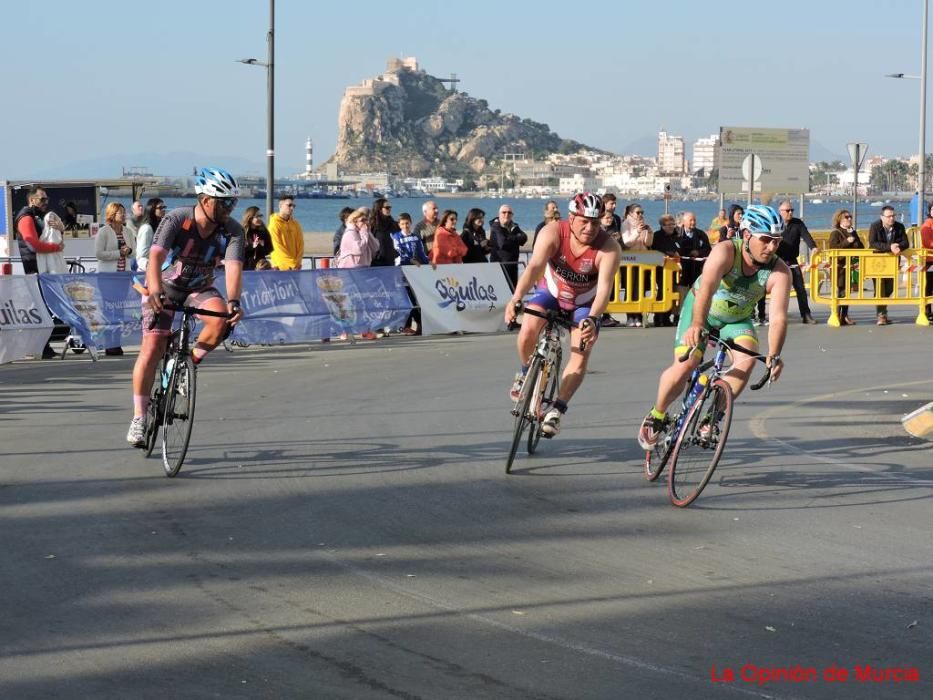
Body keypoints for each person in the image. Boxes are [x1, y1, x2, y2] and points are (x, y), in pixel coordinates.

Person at [638, 205, 791, 451]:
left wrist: (775, 354)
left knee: (747, 361)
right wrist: (697, 324)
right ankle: (656, 415)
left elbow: (778, 318)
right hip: (702, 311)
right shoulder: (726, 251)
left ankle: (712, 418)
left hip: (736, 320)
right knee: (686, 365)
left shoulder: (779, 271)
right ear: (748, 234)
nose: (772, 247)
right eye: (766, 240)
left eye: (777, 241)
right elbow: (707, 288)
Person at [126, 167, 245, 446]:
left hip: (198, 288)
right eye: (225, 202)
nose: (230, 208)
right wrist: (154, 290)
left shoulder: (233, 231)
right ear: (206, 200)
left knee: (221, 321)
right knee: (152, 347)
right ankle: (139, 418)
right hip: (164, 287)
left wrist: (234, 302)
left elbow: (234, 268)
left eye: (233, 203)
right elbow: (154, 258)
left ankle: (185, 365)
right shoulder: (177, 219)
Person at [504, 193, 622, 438]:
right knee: (528, 328)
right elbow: (535, 267)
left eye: (596, 222)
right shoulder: (553, 231)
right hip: (552, 292)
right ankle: (526, 372)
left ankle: (557, 409)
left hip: (584, 303)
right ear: (571, 217)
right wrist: (516, 298)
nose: (590, 228)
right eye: (584, 221)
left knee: (580, 352)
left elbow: (603, 290)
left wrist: (593, 318)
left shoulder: (609, 248)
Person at [13, 186, 64, 358]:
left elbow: (47, 237)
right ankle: (38, 347)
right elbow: (33, 245)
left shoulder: (38, 217)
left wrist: (60, 229)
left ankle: (42, 346)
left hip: (40, 269)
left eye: (47, 199)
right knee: (40, 308)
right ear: (32, 200)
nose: (46, 203)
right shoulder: (26, 217)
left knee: (43, 308)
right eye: (42, 199)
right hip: (34, 269)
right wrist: (56, 247)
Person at [336, 207, 379, 340]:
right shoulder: (349, 233)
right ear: (354, 221)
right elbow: (359, 249)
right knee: (347, 302)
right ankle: (345, 331)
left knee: (363, 301)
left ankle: (365, 329)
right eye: (362, 220)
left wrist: (368, 232)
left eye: (366, 219)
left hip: (362, 270)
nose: (365, 222)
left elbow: (376, 247)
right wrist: (364, 233)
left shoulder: (363, 231)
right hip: (349, 272)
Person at [776, 201, 818, 324]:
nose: (790, 213)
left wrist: (813, 247)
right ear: (780, 212)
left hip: (792, 260)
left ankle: (806, 315)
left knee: (800, 288)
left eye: (791, 210)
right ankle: (777, 315)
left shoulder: (797, 223)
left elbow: (806, 235)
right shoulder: (775, 223)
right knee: (779, 290)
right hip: (777, 261)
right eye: (787, 211)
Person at [868, 205, 910, 325]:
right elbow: (873, 243)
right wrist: (889, 247)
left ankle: (882, 310)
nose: (892, 218)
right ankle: (881, 315)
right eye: (889, 216)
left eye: (893, 216)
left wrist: (898, 246)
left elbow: (906, 242)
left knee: (890, 287)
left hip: (892, 262)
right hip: (877, 262)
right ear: (882, 217)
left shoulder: (899, 226)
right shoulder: (875, 226)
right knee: (879, 287)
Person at [392, 213, 428, 335]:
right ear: (399, 225)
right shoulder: (396, 237)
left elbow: (421, 254)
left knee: (415, 299)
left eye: (407, 223)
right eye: (402, 224)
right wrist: (410, 260)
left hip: (413, 272)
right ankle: (407, 325)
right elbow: (399, 252)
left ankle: (419, 324)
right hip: (400, 271)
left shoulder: (416, 237)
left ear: (411, 223)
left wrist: (428, 263)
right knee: (407, 299)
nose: (405, 226)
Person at [828, 209, 864, 325]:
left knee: (847, 292)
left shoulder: (853, 232)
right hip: (840, 267)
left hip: (851, 266)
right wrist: (847, 242)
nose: (849, 219)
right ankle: (837, 315)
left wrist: (854, 237)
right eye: (846, 217)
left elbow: (861, 247)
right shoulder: (836, 233)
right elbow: (833, 248)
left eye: (850, 217)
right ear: (840, 220)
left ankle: (844, 315)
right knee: (841, 291)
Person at [620, 203, 653, 327]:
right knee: (630, 289)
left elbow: (648, 243)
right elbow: (627, 242)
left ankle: (639, 315)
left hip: (643, 260)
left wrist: (649, 233)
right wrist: (637, 232)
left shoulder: (644, 223)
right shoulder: (625, 224)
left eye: (642, 212)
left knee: (640, 289)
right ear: (630, 214)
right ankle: (630, 316)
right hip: (629, 260)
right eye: (638, 212)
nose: (640, 215)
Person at [488, 204, 527, 290]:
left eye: (509, 213)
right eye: (504, 212)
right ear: (499, 214)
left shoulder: (514, 226)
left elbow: (524, 238)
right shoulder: (496, 226)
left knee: (513, 291)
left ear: (512, 215)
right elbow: (503, 243)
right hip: (499, 266)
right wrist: (515, 237)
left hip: (513, 265)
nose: (506, 214)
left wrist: (511, 237)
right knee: (500, 291)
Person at [268, 195, 304, 270]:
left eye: (293, 206)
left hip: (295, 268)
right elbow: (276, 247)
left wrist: (298, 262)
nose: (292, 208)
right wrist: (292, 264)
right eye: (289, 205)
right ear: (280, 205)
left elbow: (300, 245)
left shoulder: (295, 224)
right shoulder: (274, 224)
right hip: (280, 268)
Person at [135, 198, 166, 272]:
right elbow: (142, 255)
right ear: (152, 210)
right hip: (146, 271)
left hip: (156, 269)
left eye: (164, 207)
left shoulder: (158, 226)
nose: (163, 210)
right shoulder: (147, 228)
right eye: (160, 208)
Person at [240, 206, 274, 270]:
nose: (260, 218)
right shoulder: (243, 231)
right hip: (245, 265)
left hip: (260, 264)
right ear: (250, 218)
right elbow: (238, 250)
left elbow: (270, 249)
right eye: (257, 216)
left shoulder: (263, 230)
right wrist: (252, 246)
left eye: (260, 216)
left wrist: (262, 245)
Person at [369, 197, 400, 267]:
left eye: (390, 207)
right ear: (379, 209)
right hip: (378, 262)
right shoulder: (372, 225)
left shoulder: (394, 224)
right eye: (387, 207)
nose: (389, 209)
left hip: (393, 261)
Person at [38, 209, 67, 273]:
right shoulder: (36, 220)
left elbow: (58, 240)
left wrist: (61, 229)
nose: (52, 221)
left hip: (54, 256)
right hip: (46, 257)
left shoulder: (55, 230)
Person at [921, 202, 933, 321]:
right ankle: (927, 310)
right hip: (930, 259)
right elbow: (927, 242)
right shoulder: (927, 224)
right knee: (930, 285)